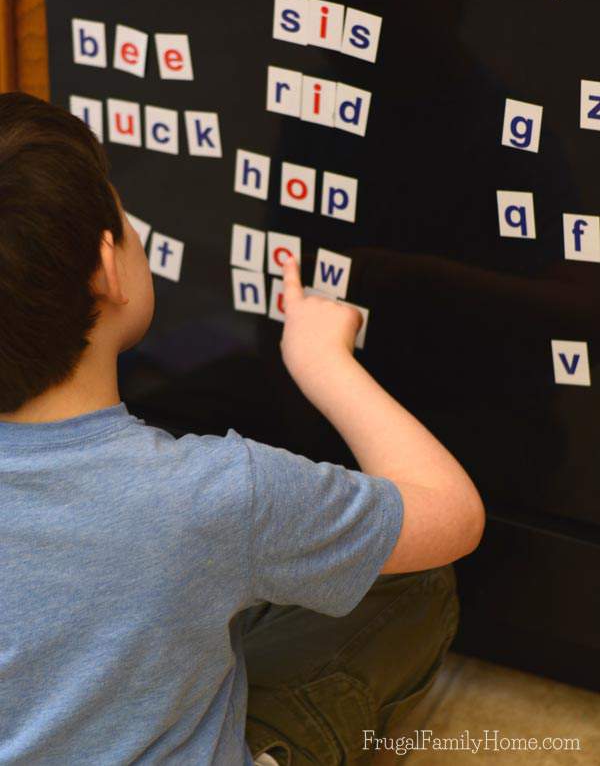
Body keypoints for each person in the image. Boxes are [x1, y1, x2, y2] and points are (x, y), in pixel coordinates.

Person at [0, 92, 485, 765]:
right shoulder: (215, 496)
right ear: (109, 271)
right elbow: (454, 517)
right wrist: (324, 364)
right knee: (414, 584)